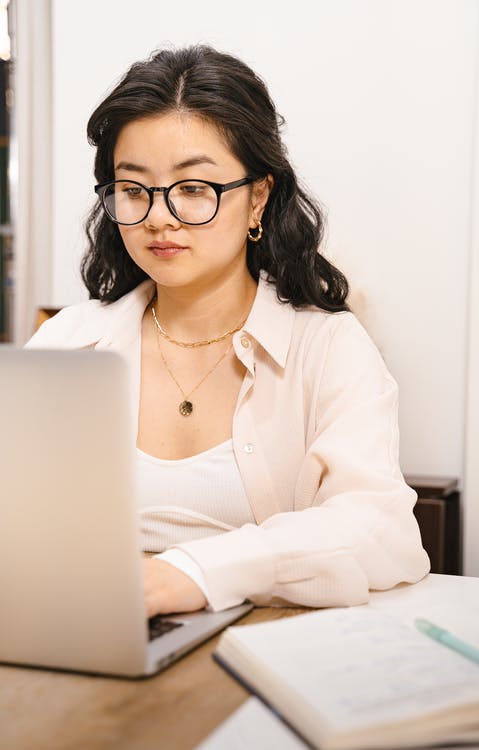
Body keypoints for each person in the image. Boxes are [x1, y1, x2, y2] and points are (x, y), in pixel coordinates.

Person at [26, 45, 430, 617]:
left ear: (258, 197)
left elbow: (381, 532)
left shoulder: (327, 347)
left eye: (194, 188)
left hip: (268, 647)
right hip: (90, 631)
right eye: (134, 189)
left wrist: (190, 574)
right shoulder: (68, 344)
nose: (159, 217)